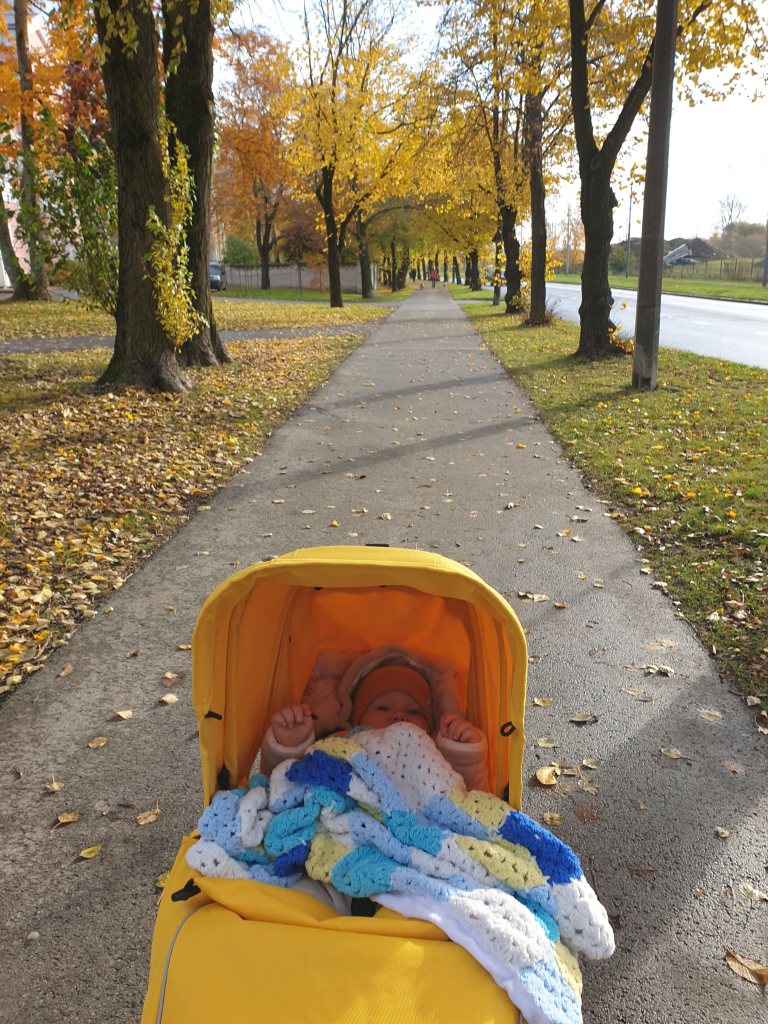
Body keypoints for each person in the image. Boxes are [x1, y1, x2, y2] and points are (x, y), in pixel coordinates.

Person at [261, 663, 489, 791]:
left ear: (429, 729)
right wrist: (291, 743)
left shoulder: (433, 749)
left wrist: (463, 755)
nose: (399, 715)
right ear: (357, 719)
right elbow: (283, 782)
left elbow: (465, 794)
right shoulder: (341, 738)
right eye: (382, 708)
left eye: (414, 712)